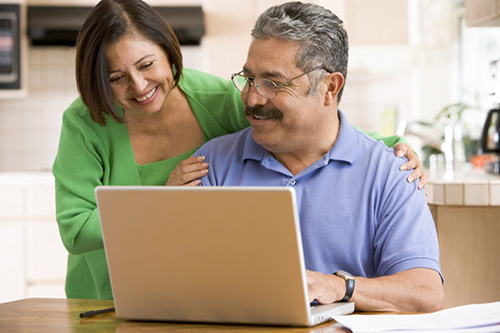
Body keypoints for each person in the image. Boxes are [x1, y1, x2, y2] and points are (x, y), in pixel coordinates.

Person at [53, 0, 425, 300]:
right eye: (116, 78)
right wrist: (158, 201)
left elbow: (306, 120)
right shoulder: (85, 122)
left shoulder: (217, 99)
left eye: (147, 64)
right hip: (101, 296)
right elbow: (75, 229)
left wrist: (385, 146)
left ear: (169, 53)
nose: (138, 85)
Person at [193, 1, 444, 312]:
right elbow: (180, 280)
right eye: (249, 78)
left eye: (272, 83)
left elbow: (425, 293)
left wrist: (341, 286)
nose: (253, 98)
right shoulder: (210, 165)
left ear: (329, 86)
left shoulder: (391, 172)